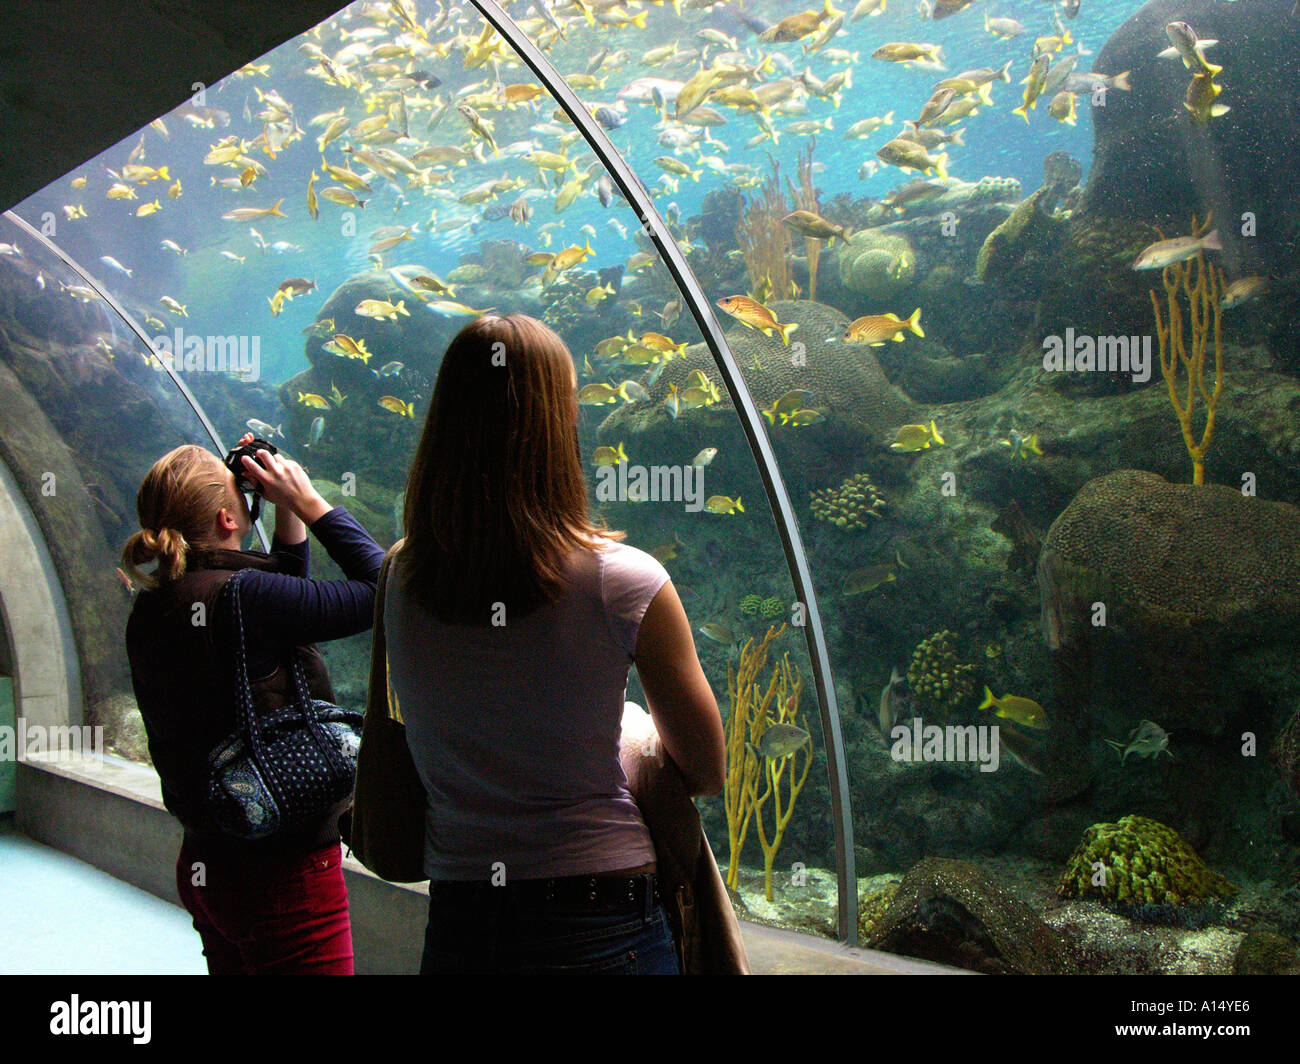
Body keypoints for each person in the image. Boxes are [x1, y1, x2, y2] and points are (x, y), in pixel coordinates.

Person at [385, 313, 726, 975]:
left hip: (462, 920)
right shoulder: (625, 581)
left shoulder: (399, 574)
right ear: (562, 418)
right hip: (601, 918)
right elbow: (706, 770)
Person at [122, 435, 385, 974]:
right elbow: (387, 590)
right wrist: (311, 502)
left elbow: (276, 608)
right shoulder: (241, 598)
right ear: (226, 518)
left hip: (208, 862)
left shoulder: (158, 601)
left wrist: (284, 509)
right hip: (283, 878)